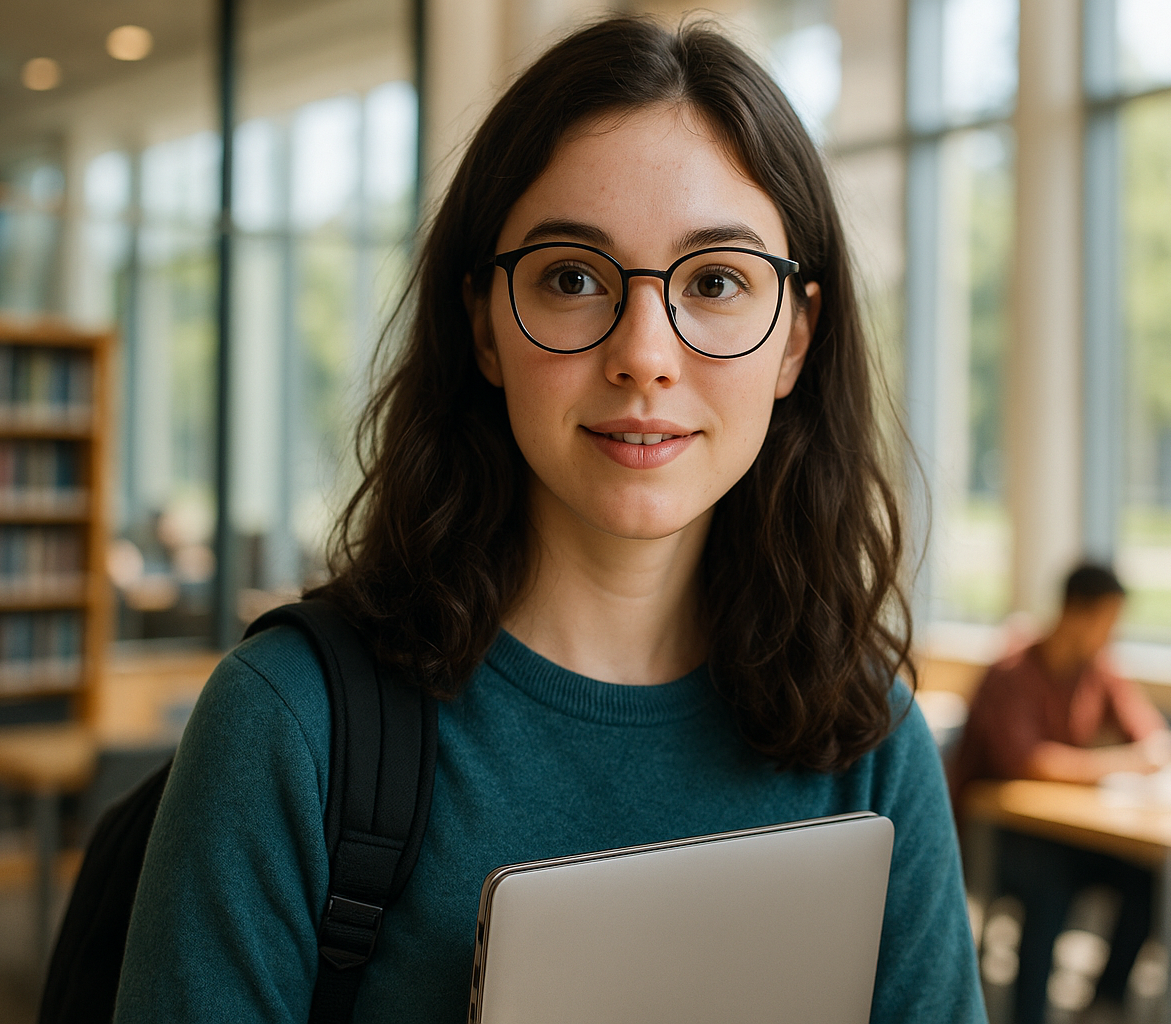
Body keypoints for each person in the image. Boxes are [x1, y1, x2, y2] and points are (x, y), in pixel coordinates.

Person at [112, 16, 984, 1023]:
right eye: (573, 279)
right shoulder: (290, 724)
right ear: (484, 319)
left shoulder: (868, 742)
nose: (645, 353)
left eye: (715, 282)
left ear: (795, 339)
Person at [947, 563, 1171, 1024]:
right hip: (995, 838)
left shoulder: (1097, 670)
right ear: (1075, 612)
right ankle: (1028, 1015)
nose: (1111, 634)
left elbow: (1153, 734)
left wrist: (1153, 749)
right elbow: (1027, 761)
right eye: (1106, 621)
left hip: (1064, 834)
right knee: (1048, 887)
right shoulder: (1010, 673)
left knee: (1150, 877)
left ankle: (1102, 1006)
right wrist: (1120, 763)